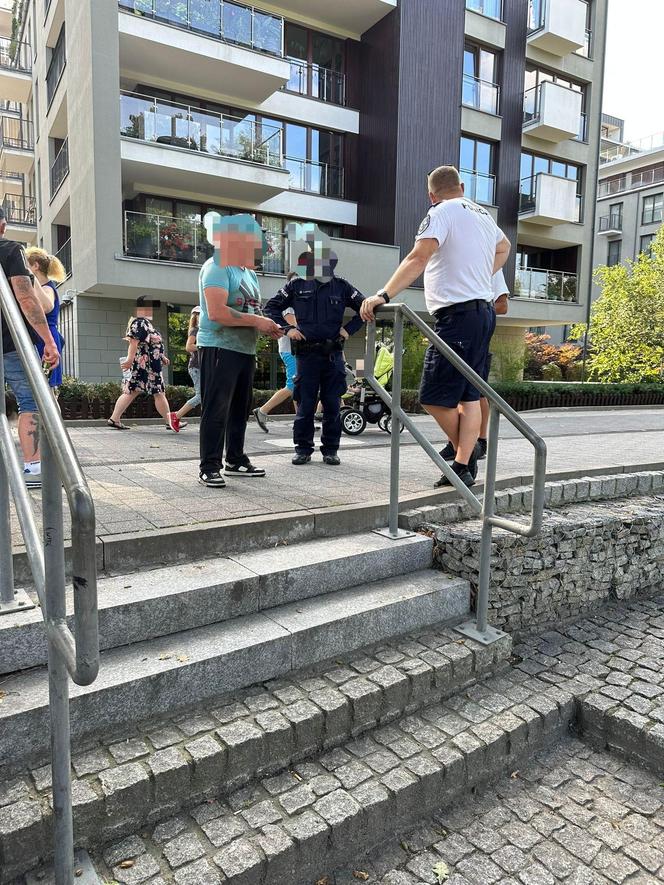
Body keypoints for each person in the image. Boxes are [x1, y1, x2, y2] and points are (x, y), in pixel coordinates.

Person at [361, 165, 510, 488]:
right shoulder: (483, 215)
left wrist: (382, 294)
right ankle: (463, 463)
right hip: (483, 314)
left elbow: (418, 257)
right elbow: (504, 248)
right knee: (469, 397)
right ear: (462, 186)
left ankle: (464, 455)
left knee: (432, 396)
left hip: (458, 316)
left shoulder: (441, 212)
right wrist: (483, 273)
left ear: (431, 195)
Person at [264, 224, 366, 466]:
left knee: (332, 405)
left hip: (333, 355)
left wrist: (348, 329)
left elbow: (364, 308)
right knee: (306, 405)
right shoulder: (296, 285)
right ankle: (303, 449)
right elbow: (271, 307)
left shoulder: (341, 286)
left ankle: (330, 449)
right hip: (307, 356)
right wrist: (289, 329)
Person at [197, 212, 282, 488]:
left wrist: (268, 326)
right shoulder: (217, 266)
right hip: (219, 347)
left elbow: (251, 310)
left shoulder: (249, 273)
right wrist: (258, 321)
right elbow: (217, 312)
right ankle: (209, 466)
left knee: (239, 409)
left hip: (245, 350)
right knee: (216, 408)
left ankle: (235, 460)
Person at [0, 209, 60, 488]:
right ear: (3, 225)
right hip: (10, 344)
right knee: (31, 401)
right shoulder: (12, 250)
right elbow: (25, 298)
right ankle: (33, 467)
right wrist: (48, 341)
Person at [440, 269, 509, 465]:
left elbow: (503, 305)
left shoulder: (491, 267)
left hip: (477, 339)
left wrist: (473, 314)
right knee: (455, 393)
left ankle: (481, 440)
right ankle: (457, 445)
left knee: (476, 394)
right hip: (454, 334)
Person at [107, 308, 177, 431]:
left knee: (133, 391)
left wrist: (162, 356)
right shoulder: (140, 323)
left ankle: (114, 419)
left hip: (148, 365)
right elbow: (134, 342)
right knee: (157, 392)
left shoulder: (145, 323)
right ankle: (170, 422)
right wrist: (129, 360)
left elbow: (150, 345)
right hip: (146, 366)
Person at [25, 247, 66, 396]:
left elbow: (47, 307)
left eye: (26, 264)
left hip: (46, 339)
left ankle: (53, 419)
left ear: (35, 266)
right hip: (43, 338)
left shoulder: (47, 288)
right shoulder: (42, 288)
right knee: (44, 388)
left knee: (47, 390)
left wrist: (31, 279)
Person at [172, 305, 202, 428]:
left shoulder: (199, 330)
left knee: (206, 395)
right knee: (201, 395)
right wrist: (203, 347)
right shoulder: (195, 330)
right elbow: (189, 346)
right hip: (196, 367)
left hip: (199, 367)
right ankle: (176, 416)